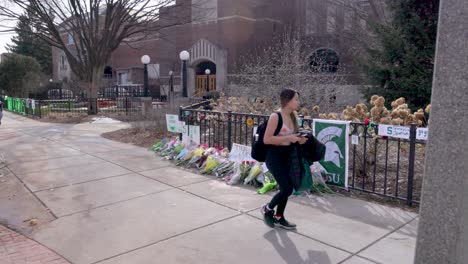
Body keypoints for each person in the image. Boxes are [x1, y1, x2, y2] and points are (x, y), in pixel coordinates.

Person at [261, 89, 307, 230]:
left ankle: (279, 217)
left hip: (288, 155)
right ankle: (267, 209)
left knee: (287, 186)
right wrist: (289, 138)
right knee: (287, 188)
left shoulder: (294, 115)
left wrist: (301, 139)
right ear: (287, 101)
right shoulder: (276, 116)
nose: (298, 102)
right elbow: (267, 139)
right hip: (274, 156)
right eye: (296, 99)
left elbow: (294, 137)